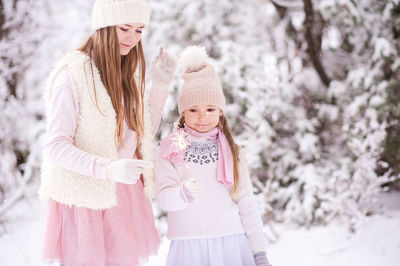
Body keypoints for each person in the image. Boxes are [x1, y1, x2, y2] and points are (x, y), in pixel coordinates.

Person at [38, 0, 177, 265]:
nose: (133, 38)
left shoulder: (128, 73)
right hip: (86, 198)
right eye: (125, 28)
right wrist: (107, 168)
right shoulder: (72, 76)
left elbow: (140, 135)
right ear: (103, 26)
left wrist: (159, 86)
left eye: (139, 30)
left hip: (123, 195)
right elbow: (55, 145)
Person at [155, 45, 272, 266]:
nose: (202, 117)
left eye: (210, 109)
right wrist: (181, 194)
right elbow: (163, 198)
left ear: (220, 111)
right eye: (193, 110)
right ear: (183, 112)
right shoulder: (172, 148)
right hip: (188, 246)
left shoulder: (231, 150)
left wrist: (259, 252)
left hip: (231, 244)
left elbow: (246, 202)